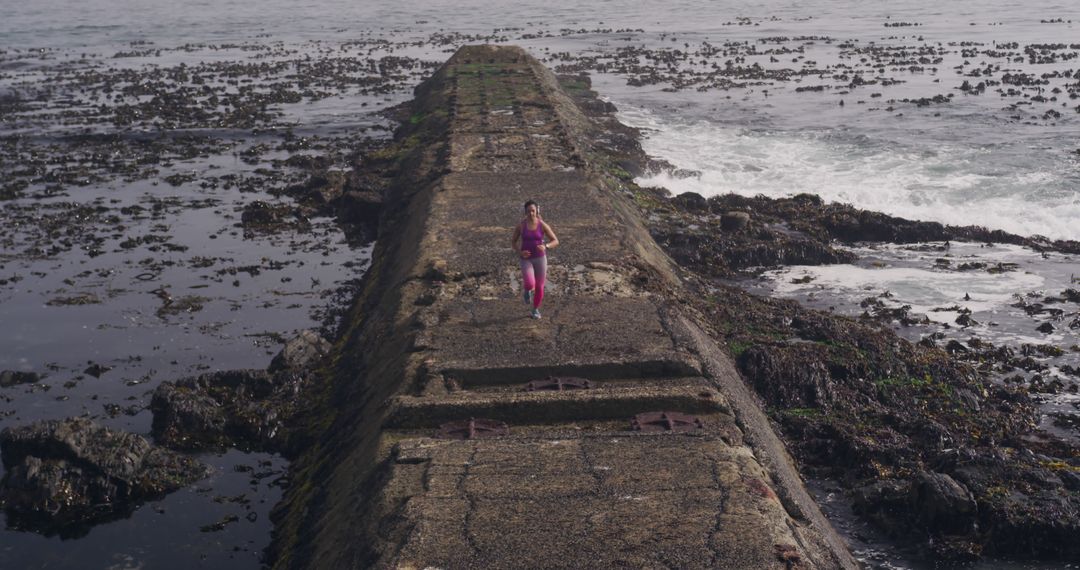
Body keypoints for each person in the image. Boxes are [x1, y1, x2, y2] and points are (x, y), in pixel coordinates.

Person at [511, 200, 559, 319]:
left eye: (533, 211)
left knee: (539, 286)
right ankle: (527, 291)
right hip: (526, 259)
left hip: (540, 258)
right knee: (529, 283)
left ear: (537, 210)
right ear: (525, 212)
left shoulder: (542, 225)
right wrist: (520, 252)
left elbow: (555, 241)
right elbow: (513, 242)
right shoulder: (521, 226)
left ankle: (535, 309)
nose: (531, 213)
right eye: (528, 211)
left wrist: (546, 246)